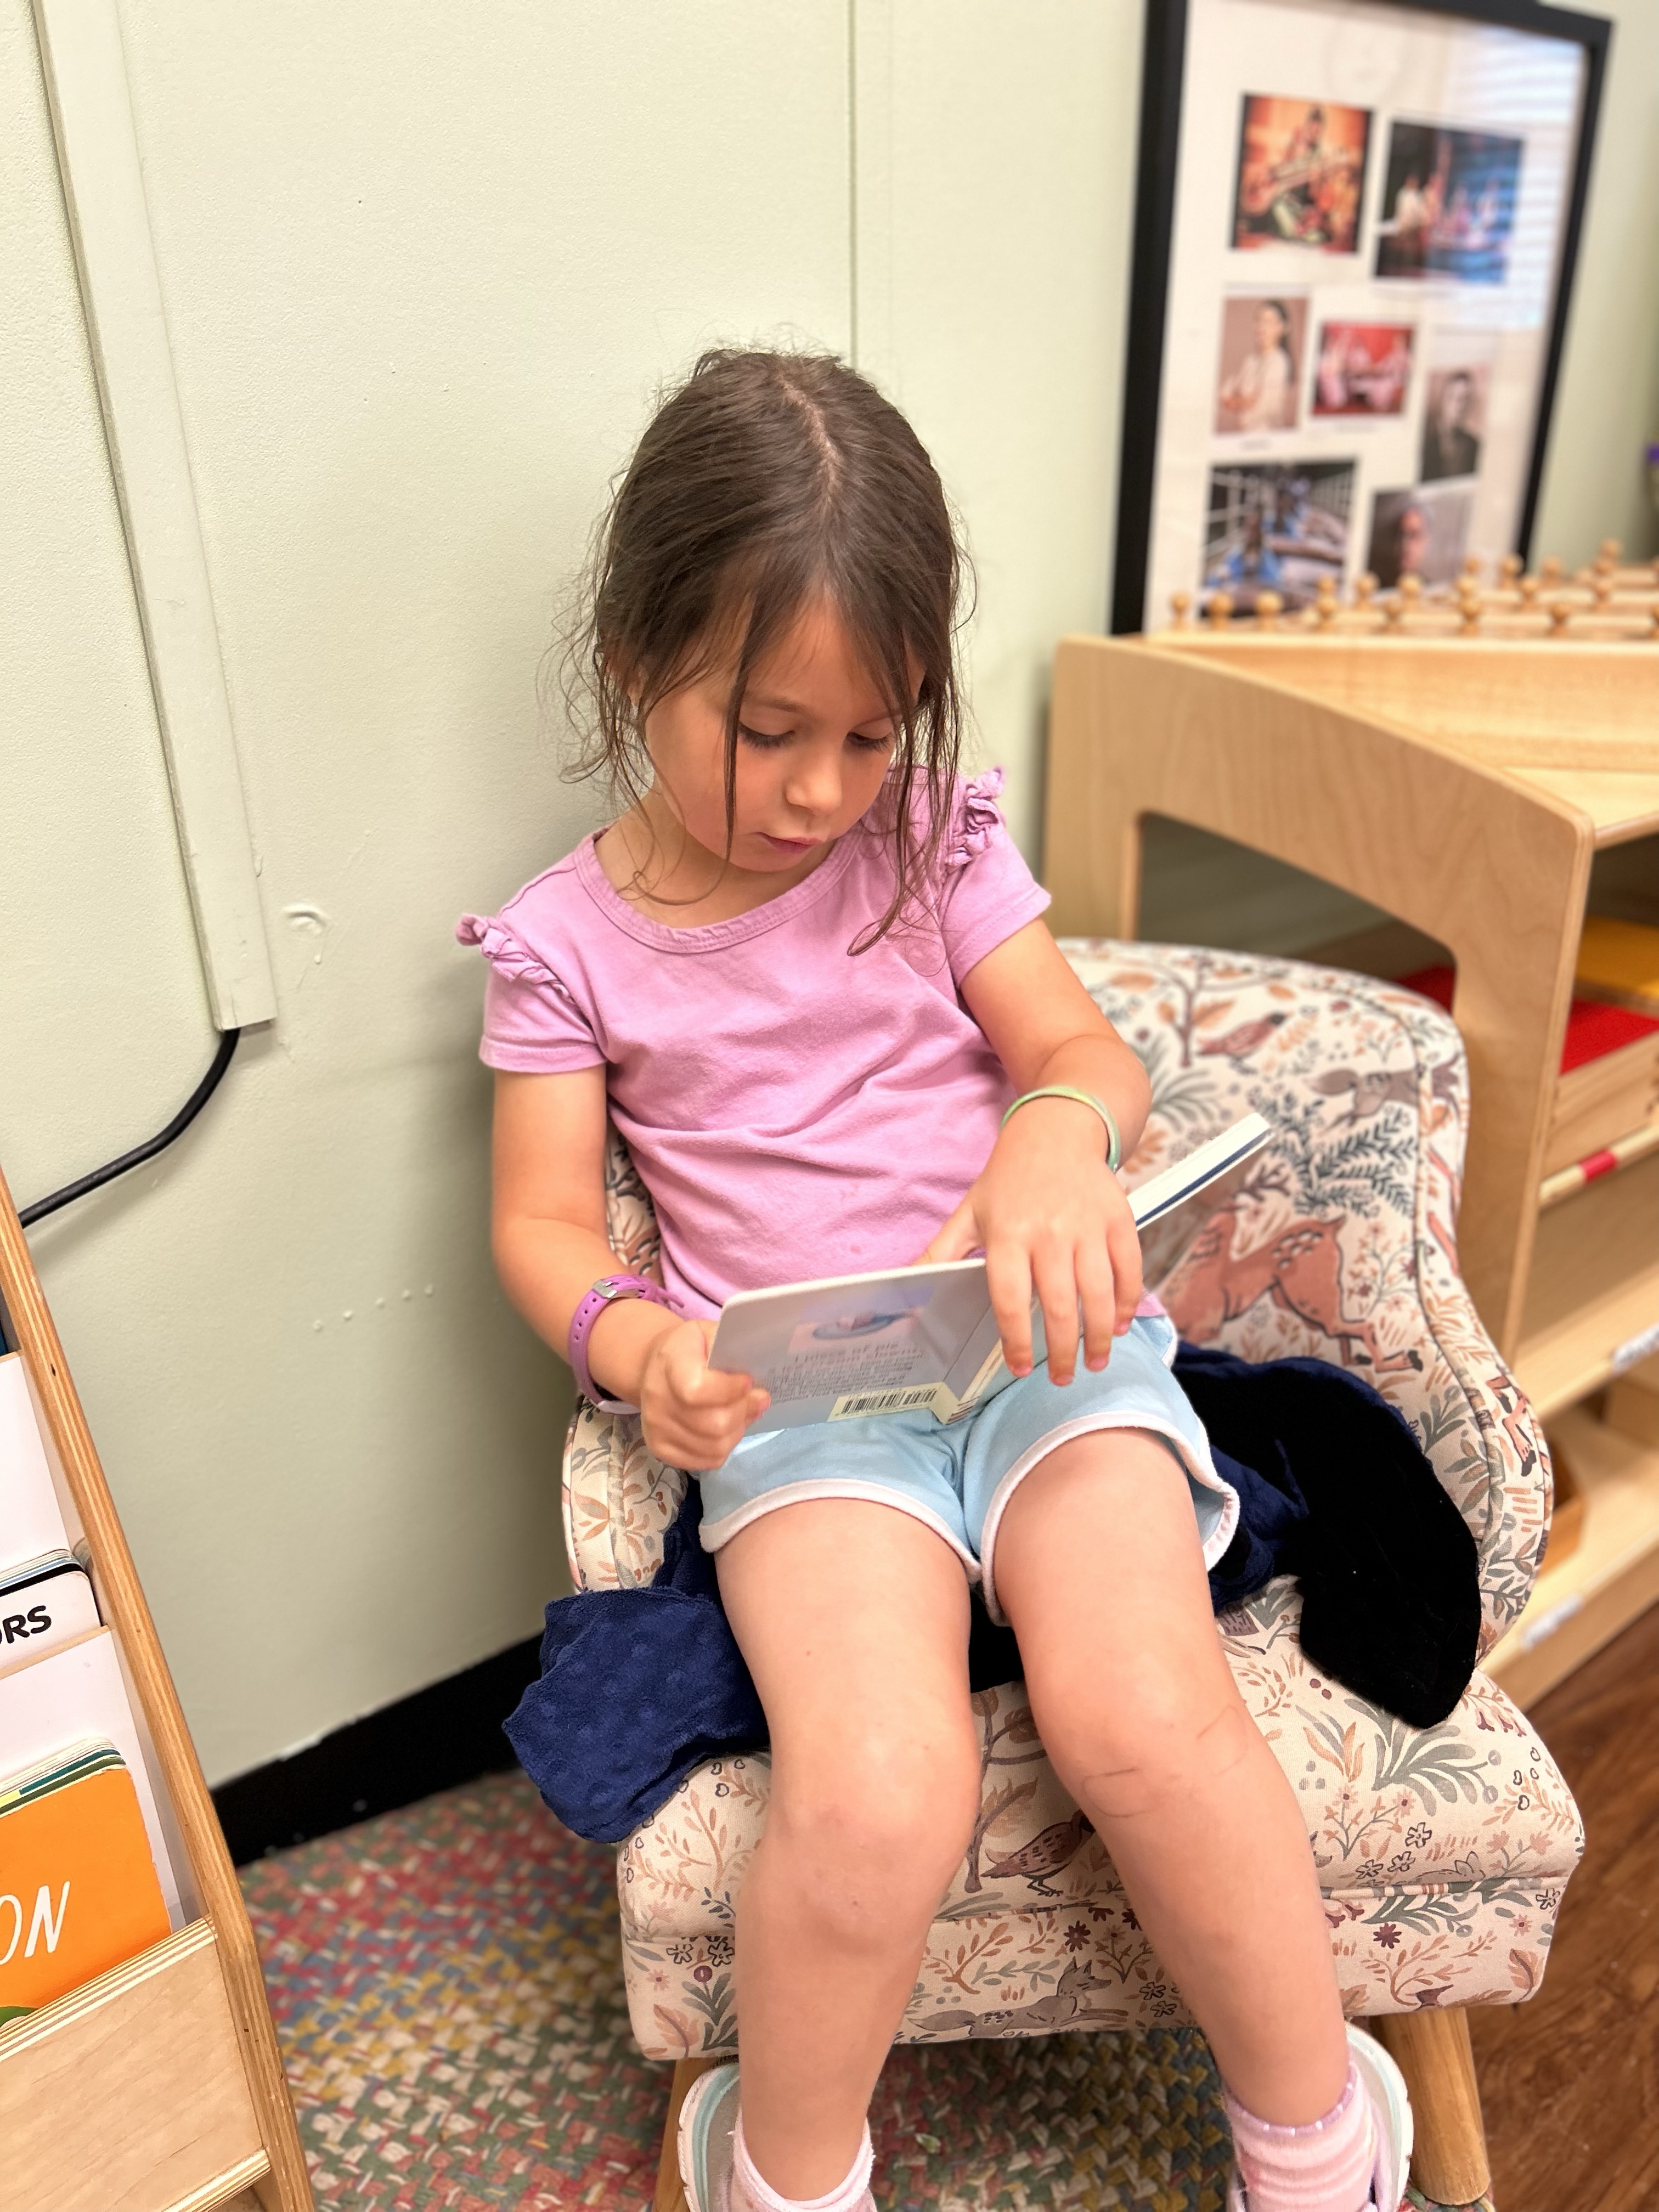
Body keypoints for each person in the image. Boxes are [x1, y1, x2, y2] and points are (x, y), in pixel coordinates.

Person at [460, 349, 1412, 2212]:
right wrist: (635, 1346)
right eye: (766, 730)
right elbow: (540, 1223)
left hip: (1044, 1355)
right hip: (810, 1417)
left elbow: (1084, 1053)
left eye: (869, 733)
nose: (820, 791)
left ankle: (1318, 2139)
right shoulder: (567, 946)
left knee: (1146, 1717)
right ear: (634, 657)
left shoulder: (933, 845)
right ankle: (784, 2168)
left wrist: (1056, 1131)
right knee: (881, 1791)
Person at [1217, 301, 1297, 432]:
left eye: (1268, 321)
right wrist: (1243, 401)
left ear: (1282, 327)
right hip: (1243, 433)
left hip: (1266, 434)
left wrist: (1236, 400)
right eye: (1258, 320)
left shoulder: (1279, 361)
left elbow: (1261, 407)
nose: (1261, 326)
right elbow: (1225, 393)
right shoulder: (1251, 361)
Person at [1421, 371, 1480, 481]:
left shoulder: (1475, 445)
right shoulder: (1425, 441)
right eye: (1455, 398)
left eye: (1466, 399)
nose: (1461, 406)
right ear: (1443, 400)